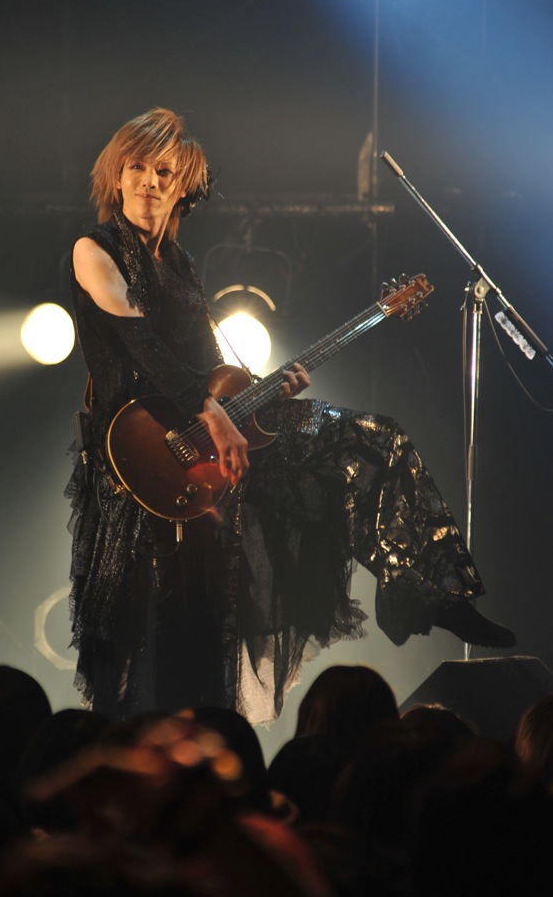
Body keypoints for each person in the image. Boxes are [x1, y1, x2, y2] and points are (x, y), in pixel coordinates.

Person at [65, 106, 515, 726]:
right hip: (137, 456)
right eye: (137, 167)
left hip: (205, 439)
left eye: (163, 172)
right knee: (153, 639)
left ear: (183, 185)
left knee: (373, 437)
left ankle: (426, 589)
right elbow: (141, 348)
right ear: (117, 174)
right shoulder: (94, 249)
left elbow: (209, 366)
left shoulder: (182, 266)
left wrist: (262, 393)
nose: (148, 182)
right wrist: (211, 411)